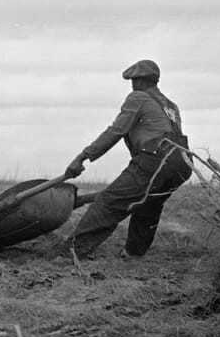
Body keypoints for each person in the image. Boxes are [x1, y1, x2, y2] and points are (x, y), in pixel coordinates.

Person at [58, 59, 193, 259]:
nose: (132, 85)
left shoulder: (137, 97)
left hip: (156, 160)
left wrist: (83, 157)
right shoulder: (170, 105)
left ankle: (71, 254)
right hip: (182, 163)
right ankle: (133, 255)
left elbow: (116, 131)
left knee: (108, 203)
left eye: (133, 81)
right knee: (148, 206)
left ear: (137, 81)